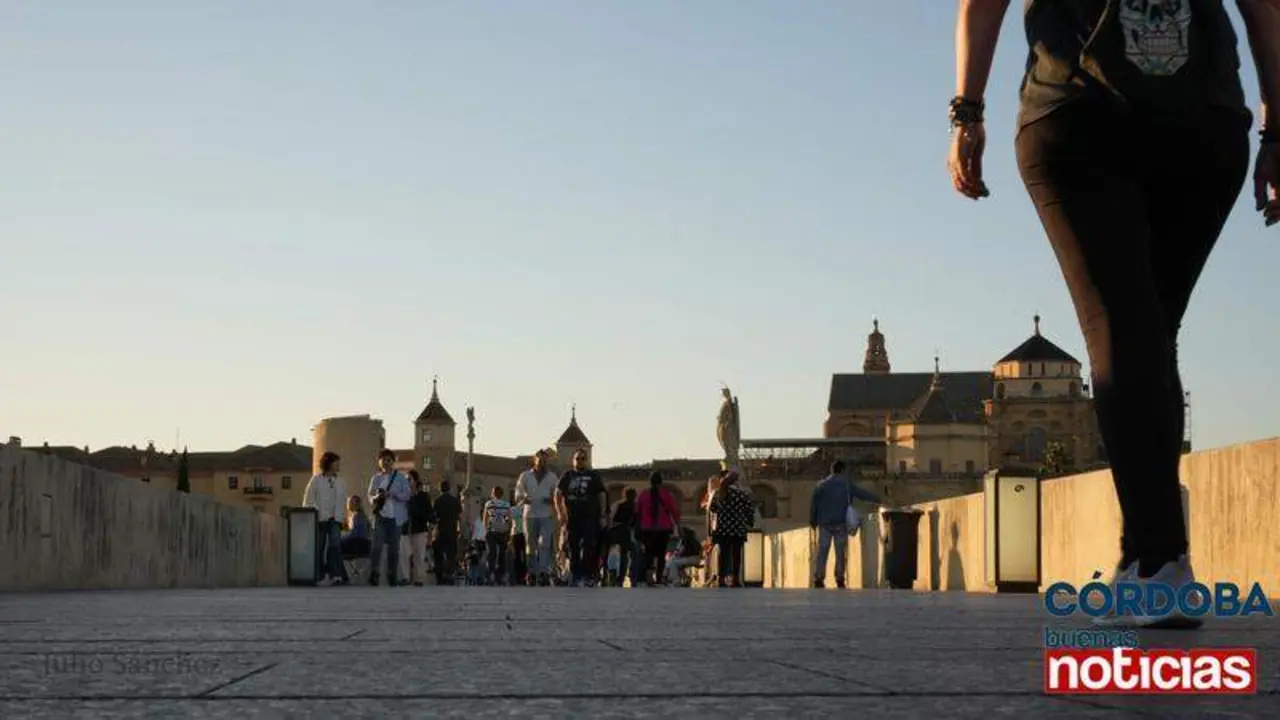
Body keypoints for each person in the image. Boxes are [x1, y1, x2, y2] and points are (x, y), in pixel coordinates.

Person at [949, 0, 1279, 628]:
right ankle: (1145, 556)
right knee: (1149, 332)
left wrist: (966, 112)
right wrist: (1277, 131)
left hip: (1077, 106)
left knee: (1124, 331)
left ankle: (1160, 564)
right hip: (1204, 118)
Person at [810, 460, 882, 589]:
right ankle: (839, 578)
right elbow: (862, 494)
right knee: (840, 552)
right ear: (842, 470)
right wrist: (878, 499)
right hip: (840, 523)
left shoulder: (821, 485)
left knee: (822, 551)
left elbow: (814, 505)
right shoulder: (846, 485)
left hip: (824, 523)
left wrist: (813, 520)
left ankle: (818, 578)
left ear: (831, 470)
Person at [555, 449, 608, 587]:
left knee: (588, 545)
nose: (580, 461)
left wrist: (602, 514)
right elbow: (557, 494)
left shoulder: (594, 475)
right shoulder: (567, 475)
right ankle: (575, 574)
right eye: (577, 458)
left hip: (590, 516)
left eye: (583, 458)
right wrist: (560, 512)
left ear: (587, 460)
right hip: (572, 517)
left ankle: (587, 574)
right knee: (572, 546)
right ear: (573, 460)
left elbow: (601, 494)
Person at [366, 449, 411, 587]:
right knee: (377, 546)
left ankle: (392, 574)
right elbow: (369, 495)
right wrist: (376, 497)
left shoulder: (401, 478)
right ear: (379, 462)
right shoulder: (376, 478)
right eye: (383, 460)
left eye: (389, 460)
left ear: (393, 462)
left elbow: (407, 495)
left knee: (393, 548)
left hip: (396, 518)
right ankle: (374, 574)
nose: (386, 462)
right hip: (380, 516)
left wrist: (393, 494)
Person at [514, 449, 558, 586]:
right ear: (534, 460)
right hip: (530, 514)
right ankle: (532, 573)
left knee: (545, 544)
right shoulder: (525, 476)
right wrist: (523, 499)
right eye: (540, 459)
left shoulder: (553, 477)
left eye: (545, 460)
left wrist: (552, 500)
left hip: (547, 515)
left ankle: (544, 572)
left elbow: (557, 495)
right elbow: (517, 494)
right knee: (530, 545)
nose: (542, 462)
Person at [302, 451, 347, 586]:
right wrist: (314, 512)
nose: (339, 465)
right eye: (336, 462)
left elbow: (343, 501)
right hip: (320, 518)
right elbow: (308, 499)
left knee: (335, 546)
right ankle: (318, 575)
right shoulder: (316, 479)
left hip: (335, 519)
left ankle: (335, 575)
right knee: (319, 547)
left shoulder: (341, 481)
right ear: (329, 463)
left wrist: (342, 519)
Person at [709, 471, 755, 588]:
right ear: (736, 481)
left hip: (723, 528)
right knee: (736, 554)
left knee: (723, 553)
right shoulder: (742, 494)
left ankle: (721, 579)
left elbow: (712, 508)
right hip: (738, 528)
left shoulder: (718, 493)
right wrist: (748, 521)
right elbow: (749, 510)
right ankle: (735, 579)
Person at [635, 472, 681, 586]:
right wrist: (676, 523)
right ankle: (659, 579)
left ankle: (648, 578)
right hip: (663, 528)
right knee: (661, 555)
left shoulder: (643, 494)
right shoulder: (666, 494)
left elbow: (637, 511)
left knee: (648, 554)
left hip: (647, 528)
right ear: (661, 482)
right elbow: (674, 511)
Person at [400, 471, 434, 587]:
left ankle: (419, 578)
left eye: (409, 479)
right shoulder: (403, 496)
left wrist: (430, 531)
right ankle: (405, 577)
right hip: (404, 529)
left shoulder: (423, 496)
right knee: (404, 553)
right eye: (405, 480)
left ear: (415, 481)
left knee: (419, 554)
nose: (407, 482)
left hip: (419, 528)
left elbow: (429, 513)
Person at [604, 488, 639, 586]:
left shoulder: (619, 505)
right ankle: (630, 577)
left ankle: (614, 577)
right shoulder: (635, 506)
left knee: (615, 555)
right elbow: (635, 521)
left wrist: (610, 529)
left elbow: (611, 518)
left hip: (617, 531)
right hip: (626, 532)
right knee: (628, 554)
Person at [432, 480, 462, 585]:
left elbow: (434, 518)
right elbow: (459, 517)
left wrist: (433, 532)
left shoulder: (437, 501)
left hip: (441, 530)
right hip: (452, 530)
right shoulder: (455, 501)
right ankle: (450, 575)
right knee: (451, 554)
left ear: (440, 489)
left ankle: (440, 577)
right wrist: (460, 530)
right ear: (449, 488)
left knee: (438, 555)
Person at [482, 486, 513, 585]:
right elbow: (509, 519)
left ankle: (489, 576)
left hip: (491, 531)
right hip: (503, 531)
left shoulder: (489, 504)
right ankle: (500, 577)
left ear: (493, 493)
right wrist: (508, 530)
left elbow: (485, 519)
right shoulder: (506, 504)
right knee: (502, 555)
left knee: (491, 554)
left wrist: (485, 530)